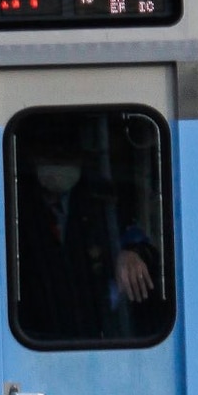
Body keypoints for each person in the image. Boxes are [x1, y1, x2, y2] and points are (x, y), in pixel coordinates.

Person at [13, 122, 159, 344]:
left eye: (66, 154)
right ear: (32, 157)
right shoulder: (13, 207)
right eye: (50, 154)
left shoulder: (105, 204)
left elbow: (144, 243)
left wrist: (133, 253)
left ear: (80, 158)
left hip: (100, 335)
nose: (59, 161)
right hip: (35, 338)